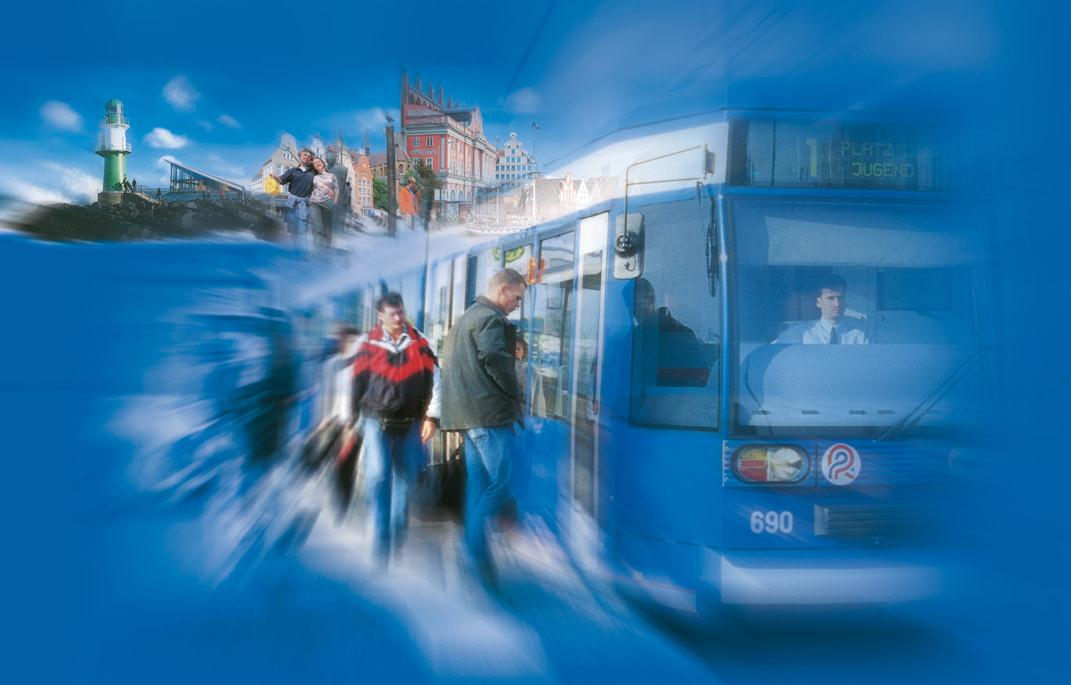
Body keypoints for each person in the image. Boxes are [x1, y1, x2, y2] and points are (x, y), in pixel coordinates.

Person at [440, 268, 527, 586]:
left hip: (467, 419)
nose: (518, 304)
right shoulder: (490, 319)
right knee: (500, 485)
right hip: (488, 417)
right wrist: (515, 390)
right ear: (503, 290)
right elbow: (494, 359)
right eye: (517, 297)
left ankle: (474, 553)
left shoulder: (465, 318)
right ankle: (472, 552)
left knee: (478, 487)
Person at [351, 293, 441, 563]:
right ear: (381, 315)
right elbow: (354, 384)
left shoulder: (421, 342)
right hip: (374, 421)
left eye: (401, 312)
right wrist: (351, 422)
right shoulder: (366, 344)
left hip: (410, 422)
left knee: (407, 474)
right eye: (394, 314)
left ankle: (397, 522)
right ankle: (381, 532)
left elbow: (437, 380)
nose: (400, 318)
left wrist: (432, 417)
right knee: (378, 475)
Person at [775, 274, 869, 344]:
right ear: (818, 302)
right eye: (830, 298)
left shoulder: (859, 338)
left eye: (841, 298)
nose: (837, 304)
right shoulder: (800, 333)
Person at [271, 148, 316, 251]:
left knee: (303, 230)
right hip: (292, 204)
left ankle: (304, 254)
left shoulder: (313, 173)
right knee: (292, 230)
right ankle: (296, 251)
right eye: (305, 155)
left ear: (310, 160)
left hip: (304, 205)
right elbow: (281, 180)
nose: (307, 157)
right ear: (300, 156)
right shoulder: (293, 171)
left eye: (309, 156)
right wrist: (275, 178)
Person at [308, 157, 338, 249]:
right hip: (315, 202)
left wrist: (334, 203)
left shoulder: (332, 176)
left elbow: (337, 190)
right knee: (317, 229)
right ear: (314, 167)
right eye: (315, 163)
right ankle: (318, 252)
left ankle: (326, 251)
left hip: (328, 204)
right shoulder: (314, 177)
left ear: (323, 163)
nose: (317, 163)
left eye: (319, 161)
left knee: (327, 229)